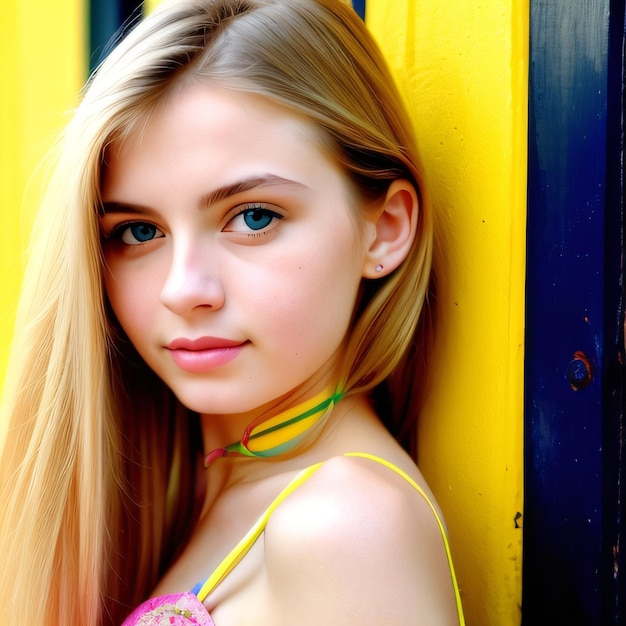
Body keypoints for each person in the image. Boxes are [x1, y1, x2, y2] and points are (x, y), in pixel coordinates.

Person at [0, 0, 464, 624]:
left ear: (383, 229)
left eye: (253, 217)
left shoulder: (344, 525)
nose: (184, 290)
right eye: (139, 232)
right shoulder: (179, 493)